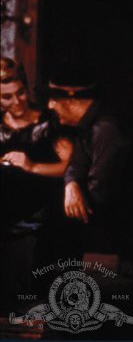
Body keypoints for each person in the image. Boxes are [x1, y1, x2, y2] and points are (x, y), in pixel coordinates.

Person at [0, 57, 72, 313]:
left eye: (20, 92)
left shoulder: (47, 122)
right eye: (6, 97)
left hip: (41, 218)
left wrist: (31, 166)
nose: (17, 101)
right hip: (5, 216)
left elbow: (70, 166)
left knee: (34, 298)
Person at [47, 63, 131, 255]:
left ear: (72, 101)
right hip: (105, 226)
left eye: (54, 99)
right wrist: (71, 185)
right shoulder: (87, 126)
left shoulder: (107, 130)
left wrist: (75, 194)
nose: (50, 105)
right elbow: (76, 163)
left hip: (122, 233)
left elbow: (102, 192)